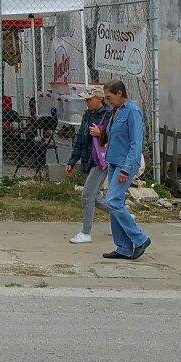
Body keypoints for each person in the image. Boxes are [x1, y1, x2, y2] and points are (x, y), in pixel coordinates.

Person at [99, 80, 150, 260]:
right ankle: (124, 247)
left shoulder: (133, 112)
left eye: (109, 97)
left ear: (120, 93)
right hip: (114, 162)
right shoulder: (117, 111)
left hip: (125, 164)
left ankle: (140, 237)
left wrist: (126, 170)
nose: (108, 101)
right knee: (114, 204)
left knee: (112, 201)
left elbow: (136, 144)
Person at [65, 84, 116, 245]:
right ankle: (123, 215)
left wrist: (101, 133)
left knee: (87, 196)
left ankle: (86, 232)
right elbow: (80, 138)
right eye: (85, 99)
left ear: (99, 99)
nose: (86, 102)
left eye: (89, 99)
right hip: (88, 158)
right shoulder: (87, 114)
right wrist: (72, 161)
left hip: (101, 161)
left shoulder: (109, 114)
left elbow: (116, 137)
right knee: (96, 197)